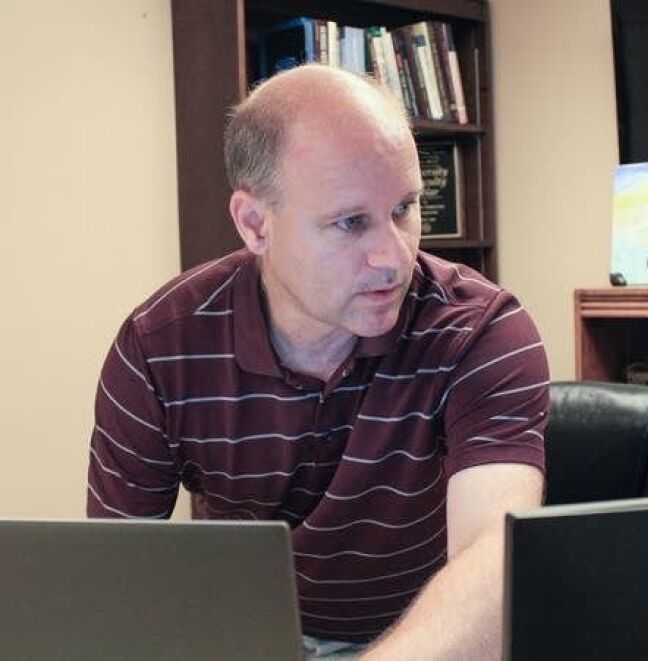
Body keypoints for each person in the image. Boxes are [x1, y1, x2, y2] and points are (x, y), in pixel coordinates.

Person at [87, 64, 549, 659]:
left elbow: (493, 565)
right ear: (255, 224)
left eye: (405, 208)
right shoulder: (159, 348)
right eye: (350, 223)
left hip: (426, 641)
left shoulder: (481, 331)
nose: (393, 257)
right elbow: (118, 579)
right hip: (248, 638)